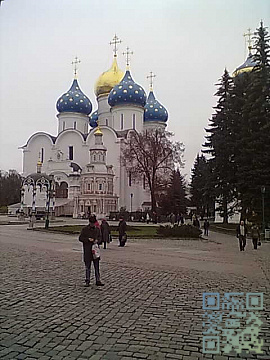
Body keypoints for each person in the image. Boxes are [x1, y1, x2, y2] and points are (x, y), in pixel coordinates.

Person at [79, 215, 104, 287]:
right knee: (88, 267)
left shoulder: (97, 230)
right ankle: (87, 280)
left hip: (95, 251)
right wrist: (88, 239)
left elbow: (100, 238)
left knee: (97, 266)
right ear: (89, 222)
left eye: (94, 223)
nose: (93, 224)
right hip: (87, 250)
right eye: (91, 223)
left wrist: (97, 241)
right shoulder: (85, 229)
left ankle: (98, 280)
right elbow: (80, 238)